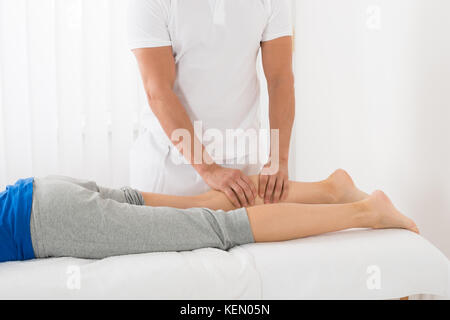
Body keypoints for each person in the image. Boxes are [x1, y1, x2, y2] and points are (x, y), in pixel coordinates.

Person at [0, 169, 418, 263]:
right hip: (37, 192)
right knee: (201, 204)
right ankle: (332, 190)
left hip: (42, 222)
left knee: (219, 231)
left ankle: (367, 211)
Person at [127, 0, 295, 208]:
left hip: (243, 170)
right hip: (170, 170)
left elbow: (280, 80)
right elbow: (158, 92)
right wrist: (209, 169)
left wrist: (279, 158)